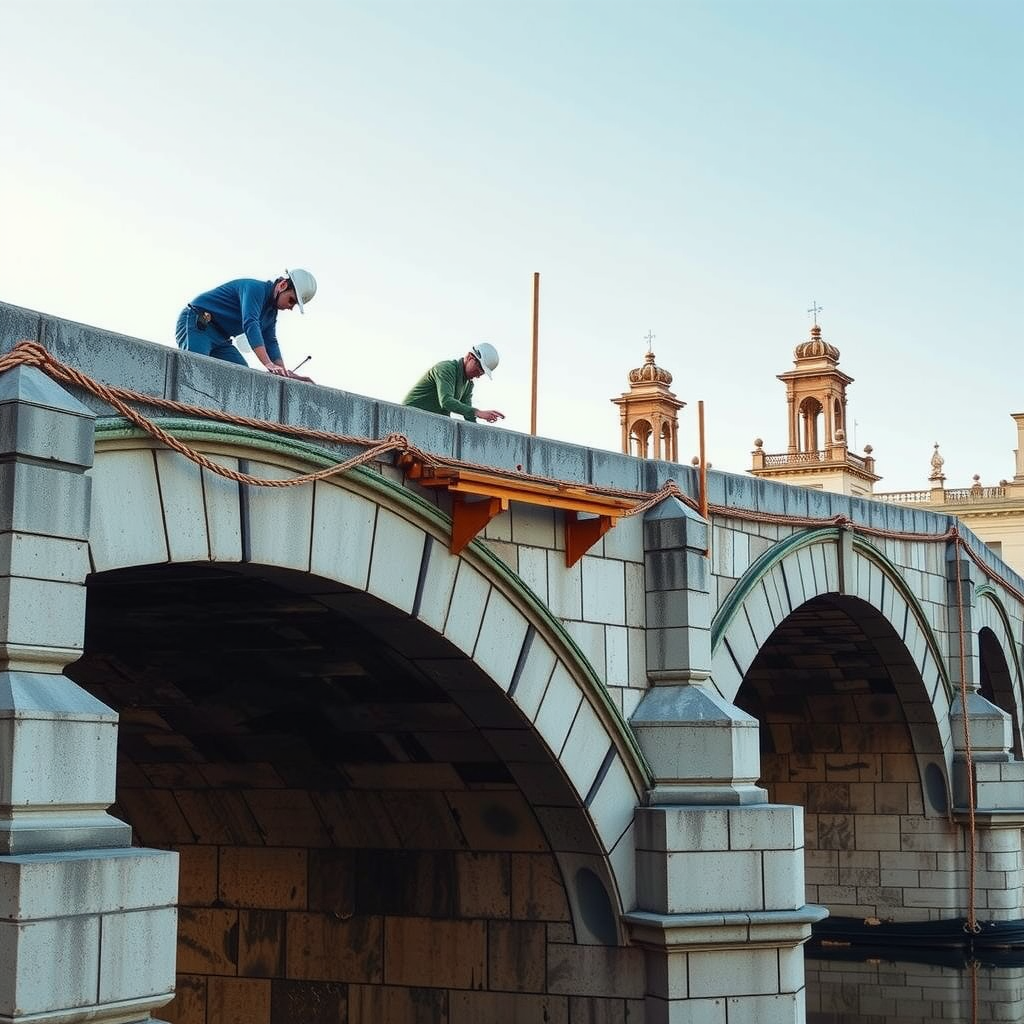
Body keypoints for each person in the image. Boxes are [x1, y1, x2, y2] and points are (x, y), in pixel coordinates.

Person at [175, 269, 317, 380]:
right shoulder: (255, 289)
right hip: (199, 323)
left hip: (221, 338)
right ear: (282, 285)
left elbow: (270, 341)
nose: (291, 307)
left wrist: (283, 372)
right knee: (194, 368)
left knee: (242, 374)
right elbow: (250, 323)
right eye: (291, 300)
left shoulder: (270, 313)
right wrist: (268, 364)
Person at [403, 343, 505, 423]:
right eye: (479, 369)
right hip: (408, 417)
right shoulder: (446, 369)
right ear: (470, 357)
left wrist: (479, 432)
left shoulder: (468, 384)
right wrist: (477, 412)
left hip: (430, 422)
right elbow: (446, 401)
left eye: (482, 373)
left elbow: (468, 415)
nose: (478, 375)